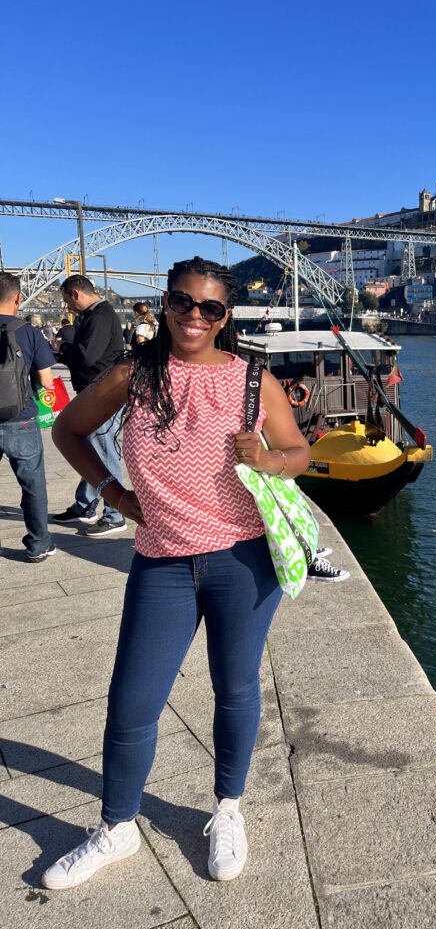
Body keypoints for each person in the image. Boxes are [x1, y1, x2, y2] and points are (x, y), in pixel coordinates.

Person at [42, 256, 310, 890]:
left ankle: (227, 810)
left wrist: (271, 459)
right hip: (162, 557)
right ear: (166, 305)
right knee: (132, 702)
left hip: (244, 560)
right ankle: (117, 827)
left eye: (210, 307)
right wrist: (113, 492)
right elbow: (70, 431)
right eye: (183, 303)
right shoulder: (136, 375)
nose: (195, 316)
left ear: (226, 317)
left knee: (236, 690)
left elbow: (300, 451)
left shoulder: (253, 380)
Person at [53, 275, 127, 535]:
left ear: (76, 293)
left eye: (67, 302)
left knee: (105, 453)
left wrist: (63, 348)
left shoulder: (99, 316)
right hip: (95, 393)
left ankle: (116, 513)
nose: (68, 308)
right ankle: (85, 504)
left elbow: (87, 357)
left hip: (104, 395)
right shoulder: (96, 315)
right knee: (92, 449)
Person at [0, 273, 57, 562]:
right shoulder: (29, 332)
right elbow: (47, 382)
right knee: (32, 484)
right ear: (18, 297)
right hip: (20, 419)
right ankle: (38, 544)